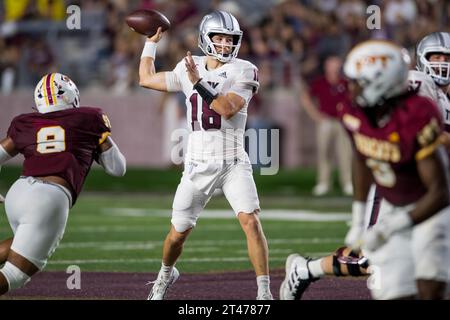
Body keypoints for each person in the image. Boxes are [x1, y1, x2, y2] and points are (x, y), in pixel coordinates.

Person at [280, 40, 450, 300]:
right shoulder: (357, 108)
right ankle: (306, 269)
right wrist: (359, 218)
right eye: (437, 57)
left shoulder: (418, 107)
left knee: (430, 276)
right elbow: (362, 155)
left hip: (425, 190)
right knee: (370, 261)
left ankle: (307, 269)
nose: (351, 88)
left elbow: (438, 182)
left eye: (358, 81)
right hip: (391, 187)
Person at [138, 10, 273, 300]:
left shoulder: (244, 69)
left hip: (234, 161)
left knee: (251, 221)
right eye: (219, 38)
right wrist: (151, 43)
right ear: (205, 38)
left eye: (230, 39)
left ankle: (264, 292)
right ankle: (164, 276)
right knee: (177, 235)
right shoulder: (191, 65)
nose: (225, 44)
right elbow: (146, 79)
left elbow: (226, 108)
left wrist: (198, 81)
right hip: (198, 164)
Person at [0, 72, 126, 295]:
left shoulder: (25, 122)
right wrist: (99, 140)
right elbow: (118, 169)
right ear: (71, 96)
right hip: (48, 198)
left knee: (20, 243)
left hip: (17, 194)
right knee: (14, 275)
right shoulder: (90, 118)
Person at [301, 55, 353, 196]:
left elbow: (354, 98)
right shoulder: (320, 82)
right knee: (324, 153)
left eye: (336, 64)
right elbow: (305, 97)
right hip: (326, 121)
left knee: (345, 153)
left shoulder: (345, 82)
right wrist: (315, 115)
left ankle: (347, 182)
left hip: (342, 121)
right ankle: (324, 182)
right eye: (332, 64)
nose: (335, 67)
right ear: (326, 66)